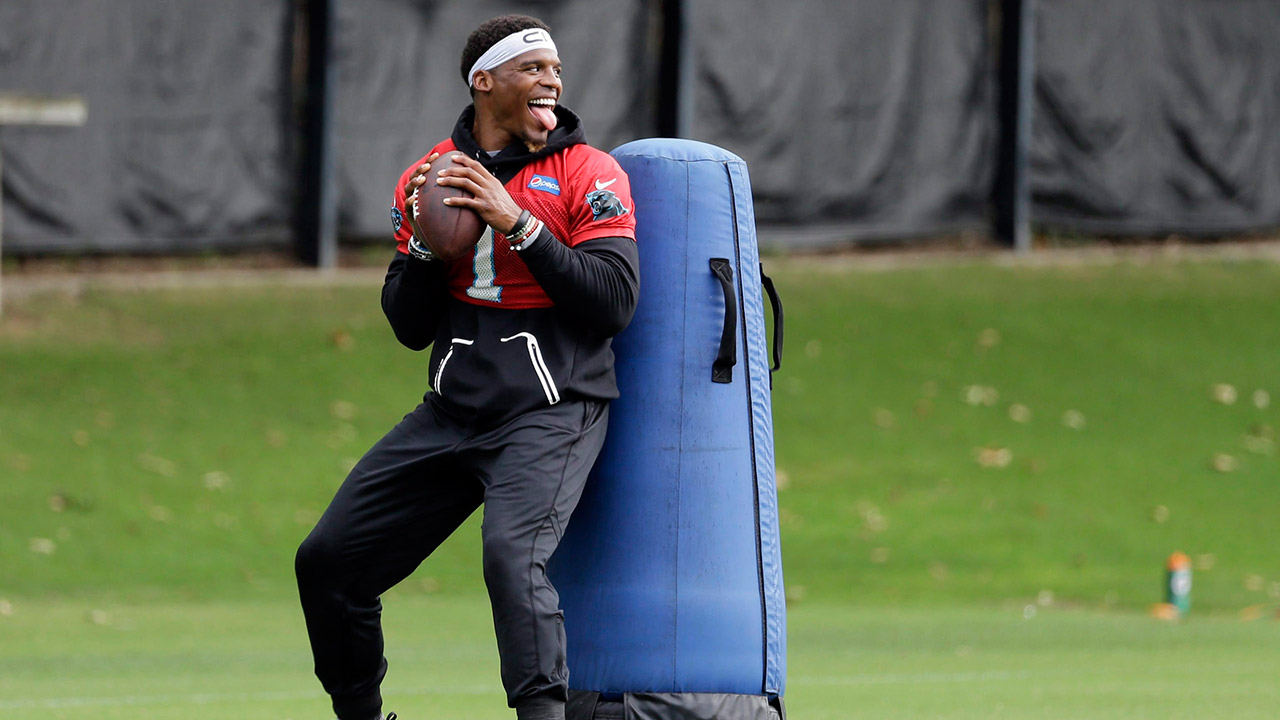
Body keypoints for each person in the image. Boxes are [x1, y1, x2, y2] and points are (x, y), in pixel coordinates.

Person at [294, 14, 639, 720]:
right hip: (453, 413)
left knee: (513, 560)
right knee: (328, 563)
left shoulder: (590, 173)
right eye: (533, 68)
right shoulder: (429, 178)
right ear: (486, 82)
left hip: (551, 409)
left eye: (557, 68)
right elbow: (408, 326)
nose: (553, 79)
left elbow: (612, 303)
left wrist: (520, 224)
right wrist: (426, 249)